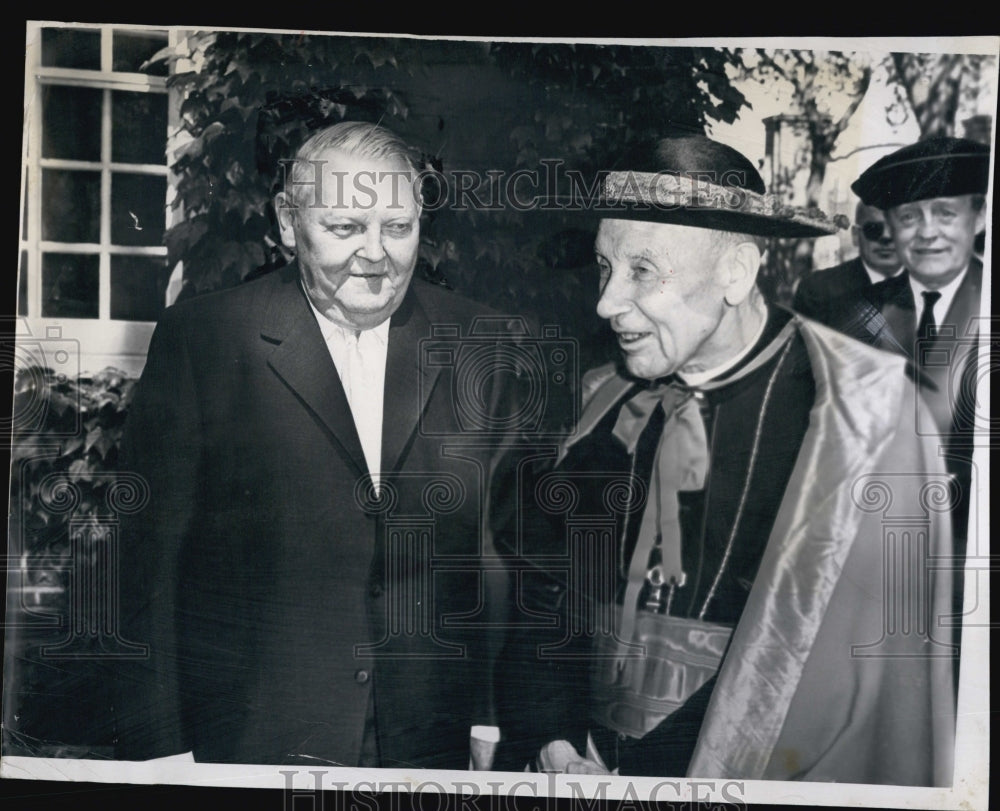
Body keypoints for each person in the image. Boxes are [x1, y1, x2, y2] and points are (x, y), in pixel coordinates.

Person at [492, 135, 956, 785]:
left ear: (736, 273)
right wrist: (554, 740)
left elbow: (840, 669)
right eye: (604, 267)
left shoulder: (862, 415)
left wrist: (642, 774)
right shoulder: (602, 398)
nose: (605, 303)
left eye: (642, 272)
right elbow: (546, 601)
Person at [111, 122, 506, 768]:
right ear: (289, 224)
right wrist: (159, 753)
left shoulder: (476, 342)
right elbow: (145, 569)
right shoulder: (204, 341)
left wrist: (490, 721)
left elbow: (493, 554)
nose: (376, 254)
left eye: (398, 228)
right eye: (347, 228)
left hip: (425, 749)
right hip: (252, 744)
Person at [827, 135, 990, 641]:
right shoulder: (855, 318)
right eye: (908, 217)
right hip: (876, 572)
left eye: (944, 213)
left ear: (979, 218)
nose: (927, 233)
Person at [792, 202, 902, 323]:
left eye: (895, 229)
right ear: (855, 235)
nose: (886, 237)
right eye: (874, 229)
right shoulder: (817, 291)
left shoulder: (924, 289)